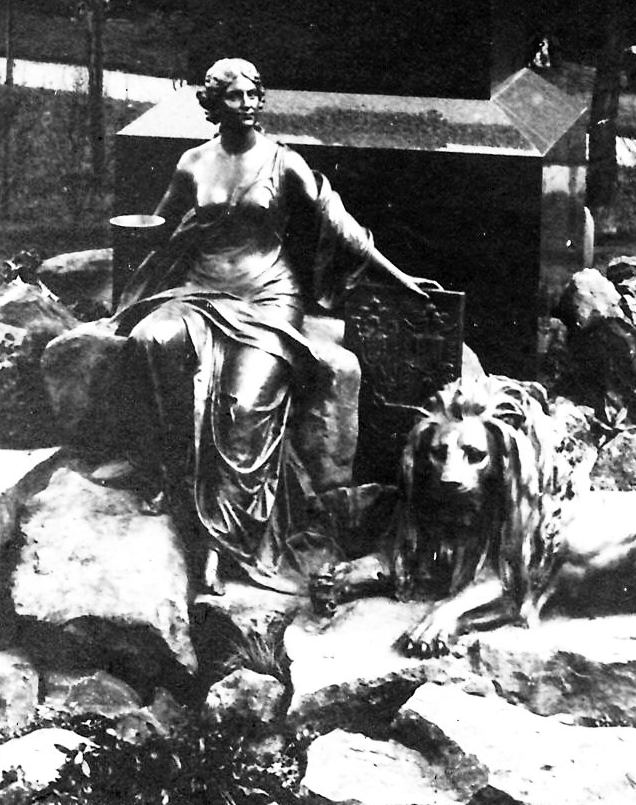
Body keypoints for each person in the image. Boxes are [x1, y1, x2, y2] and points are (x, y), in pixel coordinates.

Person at [115, 58, 438, 590]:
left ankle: (222, 540)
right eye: (234, 96)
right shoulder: (193, 163)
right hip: (200, 288)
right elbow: (161, 225)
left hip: (266, 296)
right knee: (152, 340)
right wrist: (133, 245)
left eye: (253, 95)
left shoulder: (283, 163)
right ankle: (176, 478)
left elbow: (339, 224)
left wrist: (398, 276)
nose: (247, 104)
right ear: (213, 104)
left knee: (243, 406)